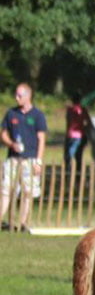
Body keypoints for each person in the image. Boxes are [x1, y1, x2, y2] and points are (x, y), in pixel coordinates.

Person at [1, 83, 48, 232]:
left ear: (28, 96)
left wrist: (38, 162)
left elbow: (41, 139)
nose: (16, 98)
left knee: (28, 192)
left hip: (30, 159)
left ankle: (23, 223)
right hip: (13, 159)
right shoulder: (11, 114)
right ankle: (2, 220)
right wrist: (10, 144)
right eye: (16, 94)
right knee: (6, 190)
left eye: (19, 95)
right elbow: (3, 133)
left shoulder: (38, 115)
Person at [64, 93, 92, 176]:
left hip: (70, 135)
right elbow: (88, 122)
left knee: (68, 156)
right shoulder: (83, 110)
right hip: (81, 135)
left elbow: (68, 122)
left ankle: (67, 173)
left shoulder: (70, 110)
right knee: (78, 156)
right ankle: (78, 174)